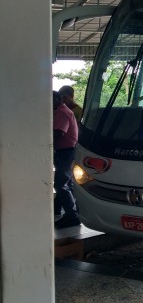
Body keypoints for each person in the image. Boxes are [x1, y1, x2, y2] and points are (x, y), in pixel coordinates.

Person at [53, 91, 81, 228]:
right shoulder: (63, 110)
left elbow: (59, 132)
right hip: (68, 151)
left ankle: (72, 216)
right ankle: (71, 214)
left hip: (66, 152)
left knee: (60, 184)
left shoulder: (62, 112)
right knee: (67, 184)